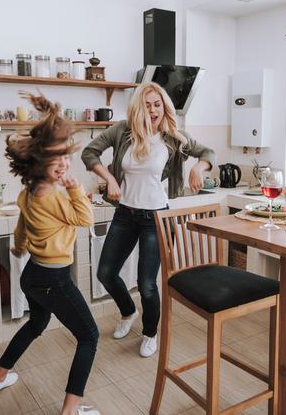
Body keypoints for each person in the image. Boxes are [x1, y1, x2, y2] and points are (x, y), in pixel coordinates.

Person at [0, 93, 100, 415]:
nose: (64, 164)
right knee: (89, 336)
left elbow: (21, 226)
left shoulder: (29, 192)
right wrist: (76, 189)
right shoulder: (57, 198)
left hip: (32, 275)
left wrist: (19, 247)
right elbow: (85, 219)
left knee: (36, 324)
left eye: (65, 157)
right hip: (54, 278)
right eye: (56, 159)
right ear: (39, 163)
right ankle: (70, 410)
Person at [81, 82, 215, 357]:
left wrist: (198, 169)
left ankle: (150, 333)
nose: (153, 110)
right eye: (147, 104)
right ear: (138, 107)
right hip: (125, 214)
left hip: (156, 217)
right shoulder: (122, 130)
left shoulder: (172, 137)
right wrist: (108, 180)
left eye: (157, 104)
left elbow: (207, 153)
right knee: (105, 273)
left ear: (163, 106)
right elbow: (89, 153)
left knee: (147, 285)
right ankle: (128, 312)